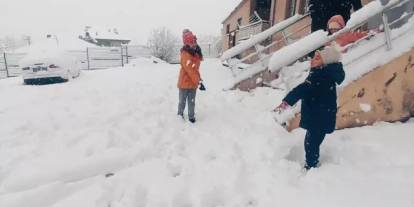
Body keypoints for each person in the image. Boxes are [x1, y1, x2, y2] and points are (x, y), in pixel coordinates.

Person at [275, 46, 345, 170]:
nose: (312, 60)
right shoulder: (324, 73)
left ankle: (311, 166)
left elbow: (302, 89)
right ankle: (312, 163)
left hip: (318, 117)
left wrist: (286, 102)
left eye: (317, 58)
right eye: (313, 57)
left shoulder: (320, 76)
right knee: (313, 142)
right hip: (322, 116)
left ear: (326, 62)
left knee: (311, 144)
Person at [177, 30, 202, 123]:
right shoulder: (185, 54)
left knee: (192, 102)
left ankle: (191, 116)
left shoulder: (194, 53)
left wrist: (199, 80)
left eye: (194, 42)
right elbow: (190, 69)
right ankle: (179, 115)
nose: (194, 44)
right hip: (184, 83)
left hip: (193, 83)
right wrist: (198, 81)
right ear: (187, 44)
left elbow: (195, 69)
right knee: (182, 102)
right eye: (191, 42)